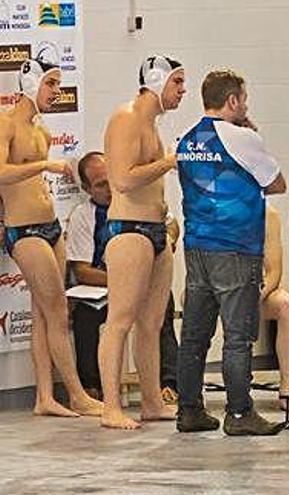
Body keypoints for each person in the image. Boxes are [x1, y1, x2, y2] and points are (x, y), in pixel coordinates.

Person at [175, 69, 287, 436]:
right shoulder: (242, 139)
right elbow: (277, 184)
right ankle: (239, 412)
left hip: (197, 249)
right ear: (233, 101)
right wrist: (249, 130)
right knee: (238, 337)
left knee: (195, 335)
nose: (247, 104)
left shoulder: (186, 141)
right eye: (244, 99)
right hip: (236, 249)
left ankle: (189, 409)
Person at [0, 59, 102, 417]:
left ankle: (45, 397)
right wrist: (43, 165)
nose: (57, 92)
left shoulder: (40, 128)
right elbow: (1, 173)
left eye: (58, 84)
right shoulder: (6, 123)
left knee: (44, 313)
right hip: (23, 230)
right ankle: (76, 394)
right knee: (58, 312)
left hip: (50, 226)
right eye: (51, 84)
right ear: (30, 84)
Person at [99, 55, 183, 429]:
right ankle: (110, 407)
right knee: (120, 321)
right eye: (177, 83)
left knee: (152, 322)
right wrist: (168, 162)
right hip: (129, 229)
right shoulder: (127, 118)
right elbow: (121, 179)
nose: (182, 91)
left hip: (155, 229)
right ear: (156, 80)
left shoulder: (152, 124)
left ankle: (151, 401)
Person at [66, 151, 180, 402]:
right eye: (100, 184)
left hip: (140, 285)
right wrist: (127, 281)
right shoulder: (82, 217)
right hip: (104, 289)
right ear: (86, 188)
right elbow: (82, 271)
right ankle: (91, 386)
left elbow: (171, 223)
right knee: (85, 315)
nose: (109, 189)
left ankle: (169, 382)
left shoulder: (136, 201)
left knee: (163, 304)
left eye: (111, 180)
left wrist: (168, 238)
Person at [260, 204, 289, 410]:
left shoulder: (268, 214)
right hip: (220, 288)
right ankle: (192, 393)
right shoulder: (213, 206)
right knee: (191, 298)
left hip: (257, 289)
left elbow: (273, 271)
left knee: (288, 307)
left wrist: (258, 294)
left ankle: (287, 388)